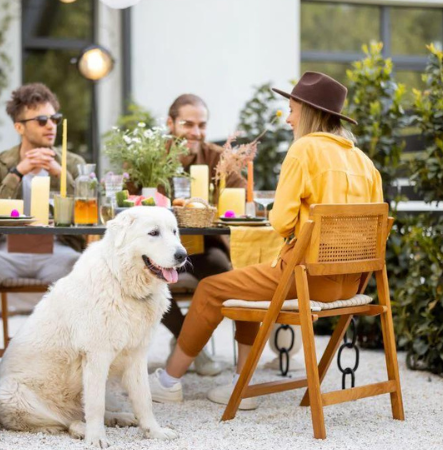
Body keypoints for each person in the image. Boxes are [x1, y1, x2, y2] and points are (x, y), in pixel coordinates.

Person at [148, 72, 383, 410]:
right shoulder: (365, 162)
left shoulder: (304, 150)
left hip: (305, 279)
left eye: (292, 110)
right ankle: (240, 381)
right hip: (350, 286)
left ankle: (169, 382)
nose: (288, 118)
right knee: (242, 277)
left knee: (211, 289)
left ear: (309, 111)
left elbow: (281, 221)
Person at [156, 94, 249, 376]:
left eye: (201, 125)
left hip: (204, 246)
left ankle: (184, 345)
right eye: (188, 124)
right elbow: (130, 196)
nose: (196, 132)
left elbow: (241, 197)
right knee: (141, 280)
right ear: (170, 123)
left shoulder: (217, 157)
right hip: (157, 249)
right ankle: (192, 346)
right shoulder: (151, 155)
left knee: (223, 275)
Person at [0, 83, 85, 285]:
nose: (51, 126)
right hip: (5, 253)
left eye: (55, 119)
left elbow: (86, 214)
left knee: (88, 271)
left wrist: (60, 173)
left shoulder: (73, 164)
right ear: (19, 126)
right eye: (41, 120)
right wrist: (17, 172)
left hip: (58, 253)